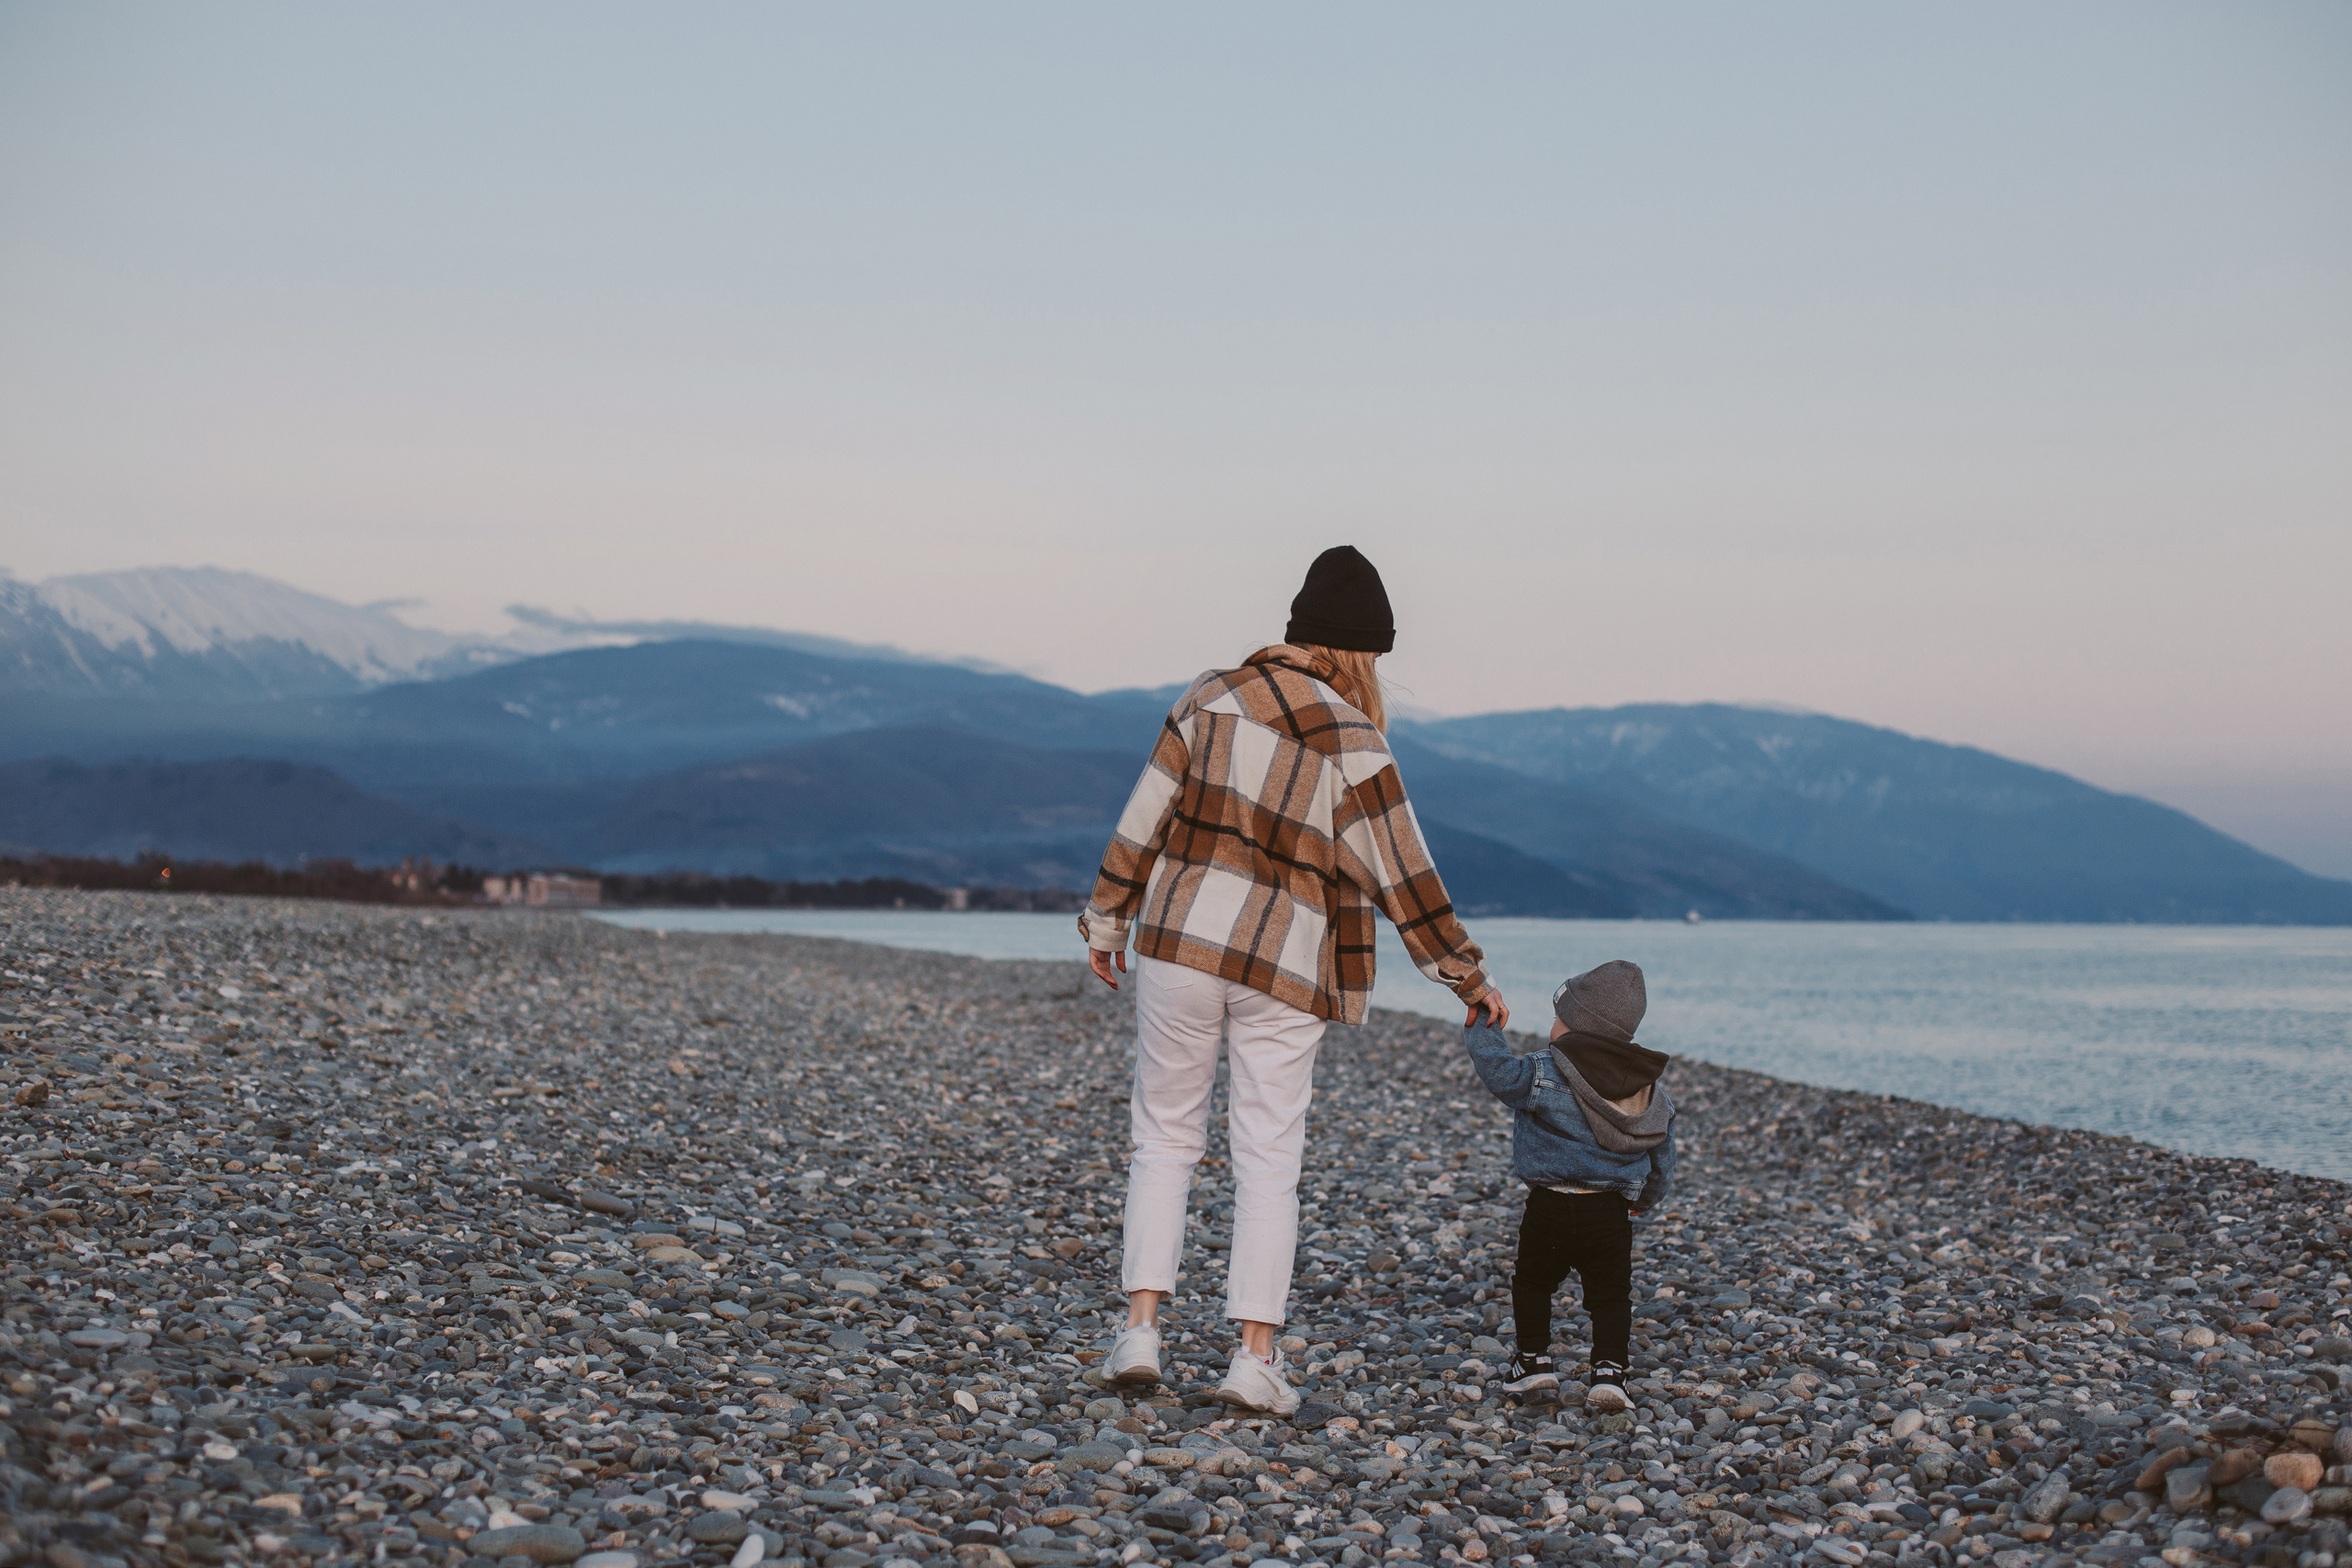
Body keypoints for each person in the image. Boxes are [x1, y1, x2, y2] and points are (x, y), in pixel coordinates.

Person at [1079, 545, 1509, 1416]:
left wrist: (1107, 916)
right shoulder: (1357, 742)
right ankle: (1253, 1358)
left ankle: (1140, 1332)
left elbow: (1144, 814)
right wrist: (1468, 978)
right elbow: (1407, 878)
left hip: (1180, 943)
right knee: (1268, 1158)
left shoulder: (1210, 696)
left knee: (1163, 1137)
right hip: (1285, 965)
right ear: (1360, 652)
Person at [1462, 958, 1673, 1414]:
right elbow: (1662, 1156)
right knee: (1611, 1294)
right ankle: (1610, 1374)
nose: (1552, 1026)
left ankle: (1534, 1363)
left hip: (1550, 1207)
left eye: (1559, 1018)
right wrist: (1645, 1201)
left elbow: (1500, 1074)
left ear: (1579, 1027)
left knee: (1534, 1283)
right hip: (1610, 1213)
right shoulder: (1649, 1091)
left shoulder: (1544, 1071)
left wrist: (1483, 1026)